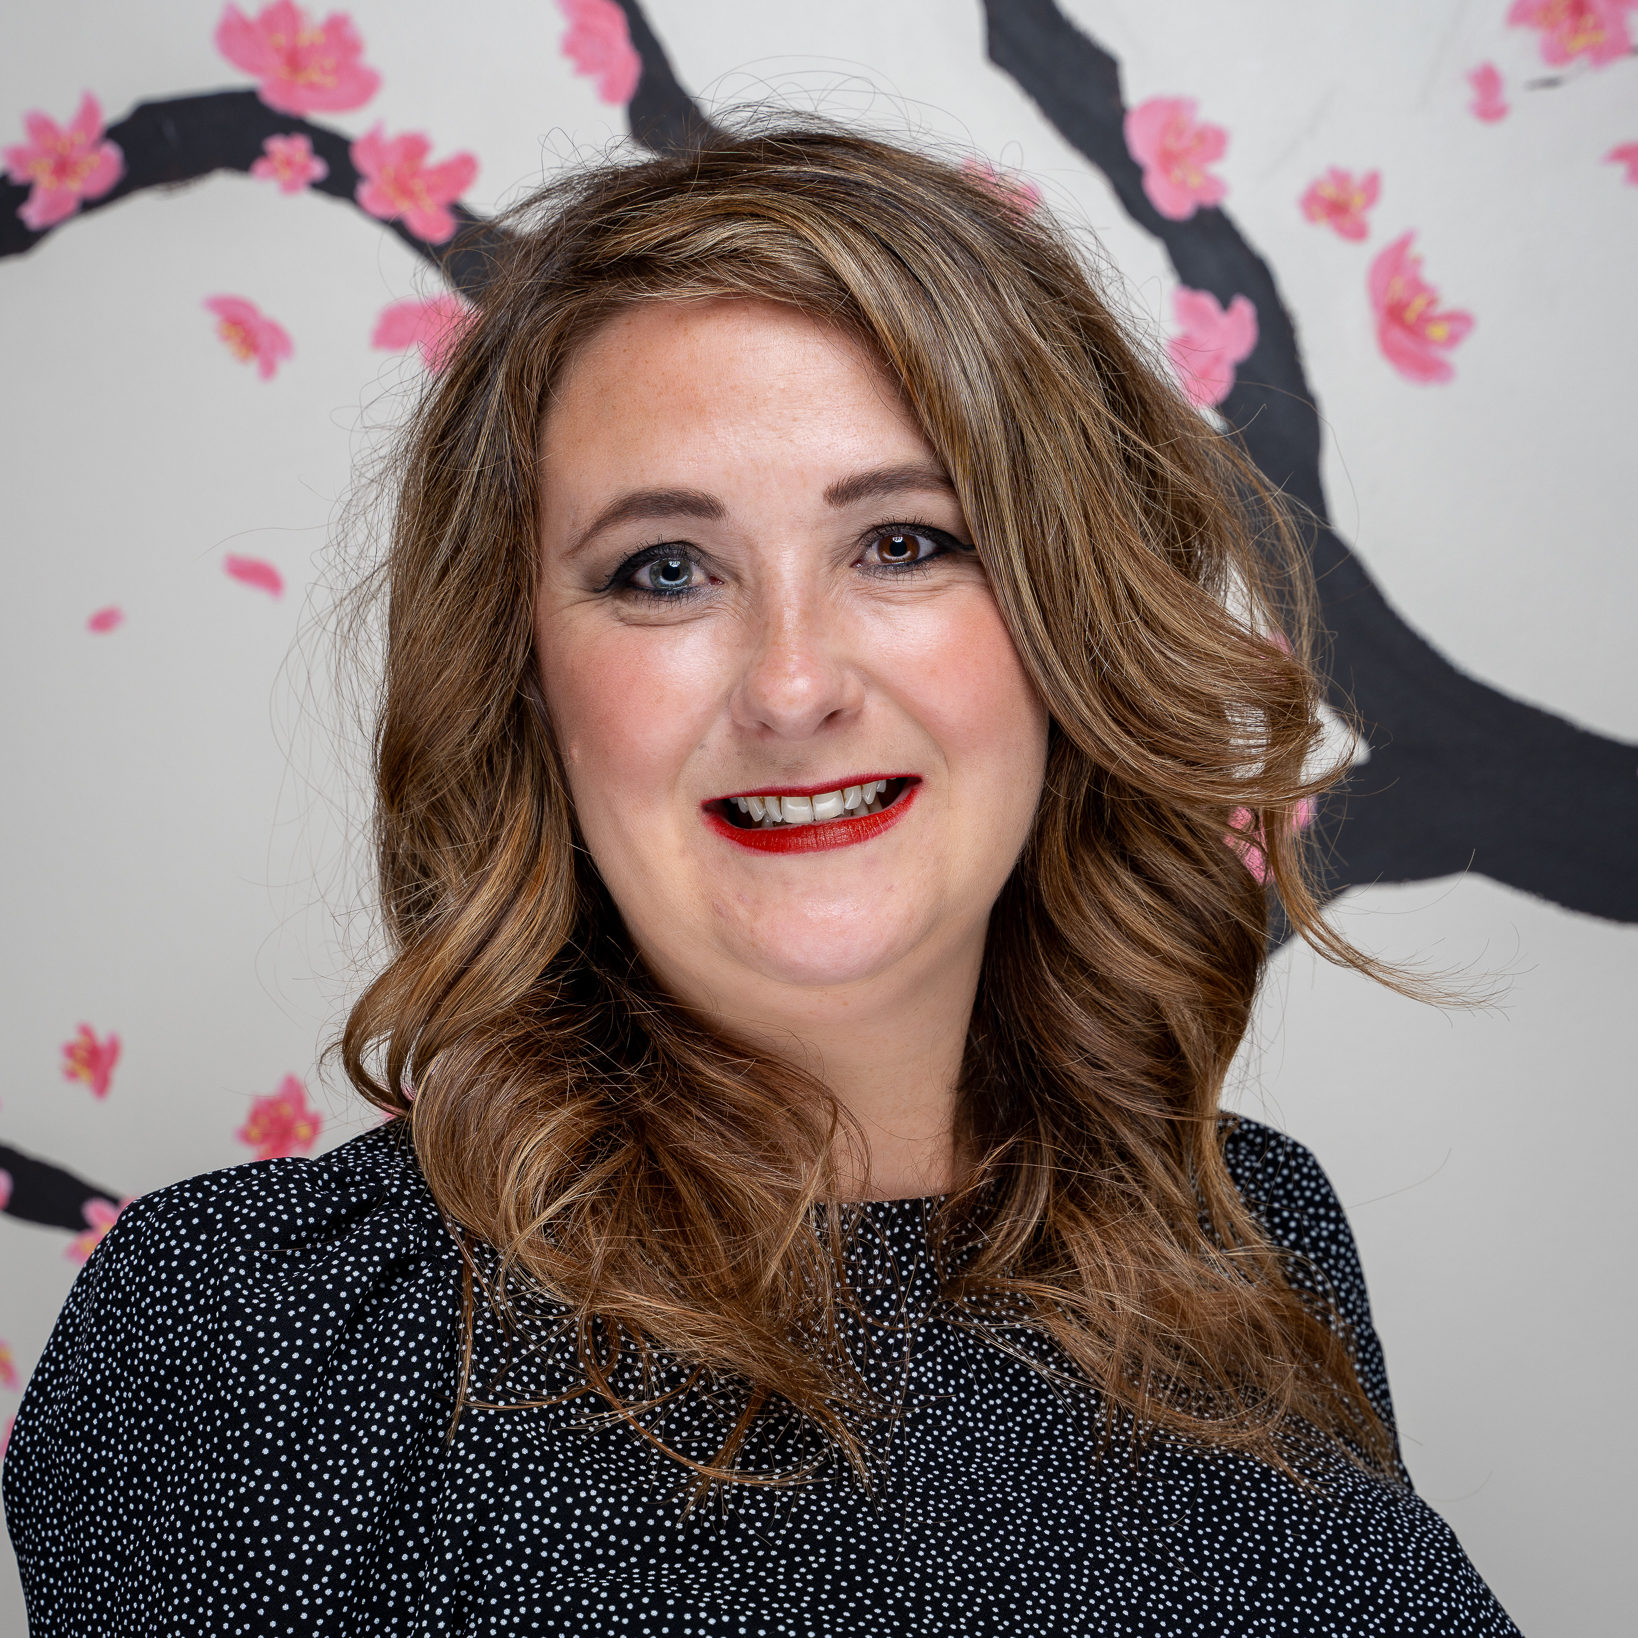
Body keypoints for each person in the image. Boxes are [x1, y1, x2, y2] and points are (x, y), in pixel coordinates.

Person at [4, 124, 1517, 1635]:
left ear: (1068, 627)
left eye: (905, 543)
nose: (793, 686)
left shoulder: (1245, 1233)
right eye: (664, 568)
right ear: (525, 677)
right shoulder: (248, 1337)